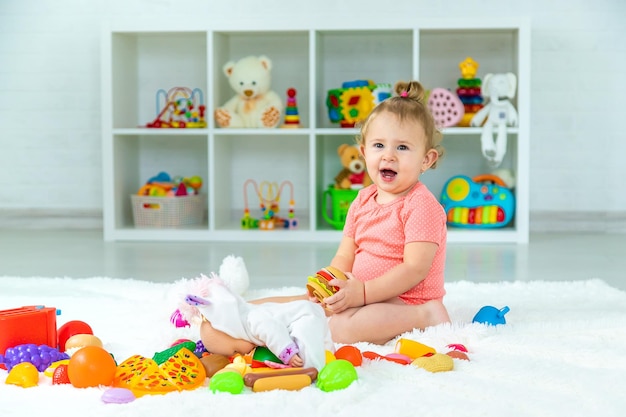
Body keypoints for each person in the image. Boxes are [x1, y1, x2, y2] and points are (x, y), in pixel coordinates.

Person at [254, 80, 451, 345]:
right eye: (379, 146)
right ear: (363, 151)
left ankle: (425, 316)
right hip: (360, 292)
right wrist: (330, 283)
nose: (388, 156)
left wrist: (364, 293)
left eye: (402, 147)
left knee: (340, 330)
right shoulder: (362, 200)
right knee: (310, 306)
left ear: (426, 160)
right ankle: (246, 310)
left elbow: (415, 268)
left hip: (402, 300)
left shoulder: (421, 205)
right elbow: (346, 253)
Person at [184, 274, 333, 371]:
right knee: (320, 342)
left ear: (234, 331)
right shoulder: (245, 319)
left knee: (307, 348)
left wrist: (287, 353)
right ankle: (327, 352)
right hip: (303, 317)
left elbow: (272, 330)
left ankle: (312, 369)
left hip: (304, 315)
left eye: (235, 351)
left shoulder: (252, 320)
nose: (242, 354)